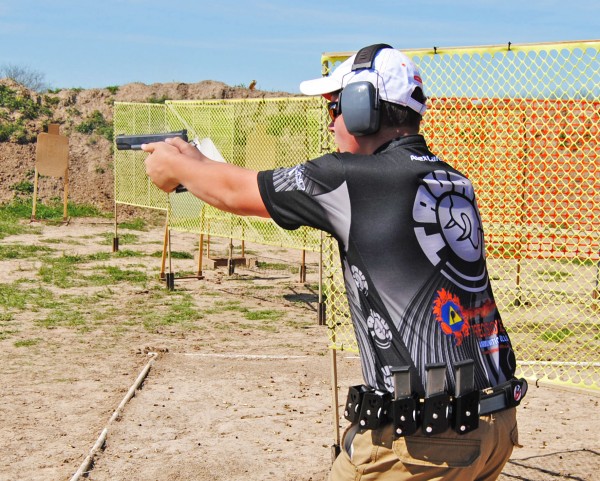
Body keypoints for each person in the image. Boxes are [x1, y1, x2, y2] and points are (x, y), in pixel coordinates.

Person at [143, 43, 526, 481]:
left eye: (335, 107)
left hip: (421, 442)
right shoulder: (452, 180)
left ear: (364, 107)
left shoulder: (351, 177)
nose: (330, 123)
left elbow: (234, 193)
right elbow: (234, 180)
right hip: (492, 424)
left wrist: (174, 166)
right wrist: (195, 163)